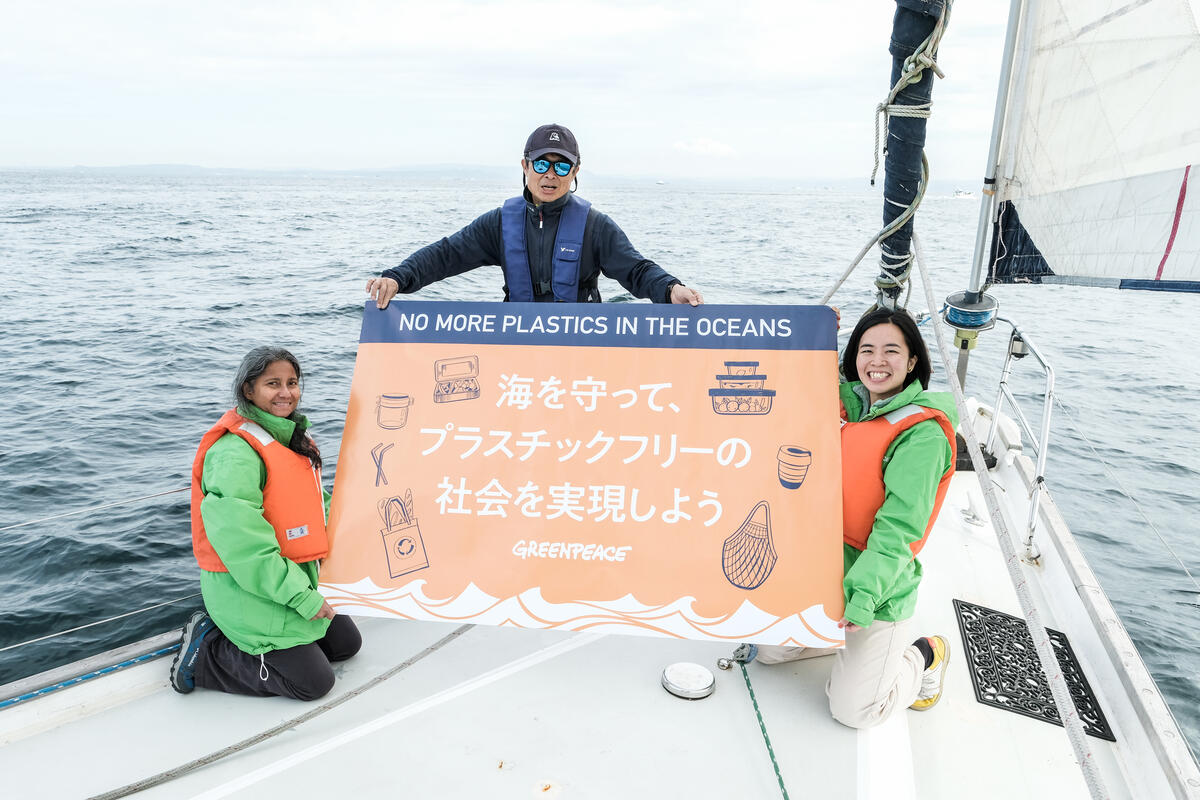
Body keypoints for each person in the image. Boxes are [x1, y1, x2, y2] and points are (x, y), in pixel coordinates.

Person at [756, 308, 957, 729]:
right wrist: (813, 329)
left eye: (891, 351)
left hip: (879, 581)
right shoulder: (850, 403)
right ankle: (848, 645)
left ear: (913, 361)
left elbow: (899, 530)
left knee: (854, 712)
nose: (877, 361)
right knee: (770, 652)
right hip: (825, 566)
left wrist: (863, 597)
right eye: (867, 350)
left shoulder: (922, 435)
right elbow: (804, 377)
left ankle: (924, 654)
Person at [170, 347, 361, 701]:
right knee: (313, 683)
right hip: (246, 586)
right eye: (273, 383)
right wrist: (301, 598)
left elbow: (318, 507)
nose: (286, 392)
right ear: (248, 390)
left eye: (292, 382)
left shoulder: (292, 440)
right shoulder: (233, 454)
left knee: (347, 644)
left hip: (292, 575)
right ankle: (207, 654)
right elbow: (245, 548)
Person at [365, 123, 705, 308]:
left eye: (561, 166)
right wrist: (398, 277)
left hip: (582, 343)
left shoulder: (594, 226)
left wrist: (670, 288)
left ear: (575, 171)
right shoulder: (498, 223)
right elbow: (445, 254)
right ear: (526, 166)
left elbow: (637, 269)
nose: (550, 175)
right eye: (541, 164)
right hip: (518, 343)